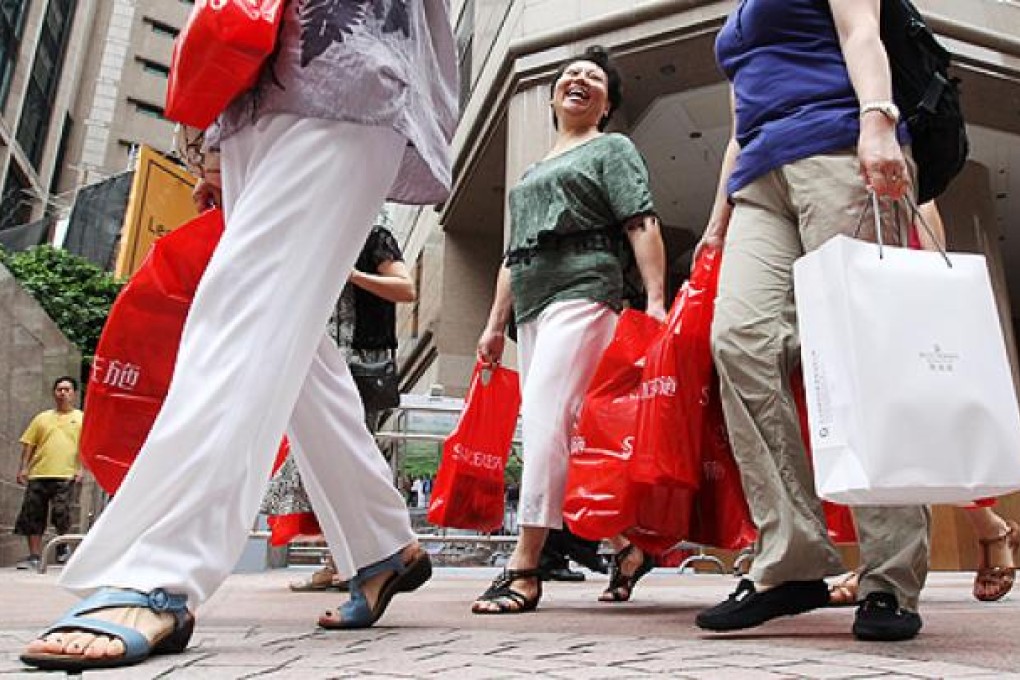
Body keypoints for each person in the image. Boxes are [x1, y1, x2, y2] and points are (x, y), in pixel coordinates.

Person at [22, 0, 456, 671]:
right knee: (295, 345)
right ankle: (379, 542)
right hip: (255, 82)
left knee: (245, 304)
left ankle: (158, 564)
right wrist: (216, 144)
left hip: (347, 65)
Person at [693, 0, 930, 642]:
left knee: (860, 352)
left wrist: (877, 121)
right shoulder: (738, 14)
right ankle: (791, 560)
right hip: (758, 180)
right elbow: (741, 122)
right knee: (739, 341)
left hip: (838, 148)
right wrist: (716, 221)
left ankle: (889, 579)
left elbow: (861, 32)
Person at [472, 45, 666, 614]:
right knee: (565, 426)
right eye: (571, 74)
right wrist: (493, 325)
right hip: (532, 300)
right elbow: (512, 253)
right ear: (555, 97)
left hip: (586, 288)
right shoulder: (532, 172)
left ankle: (525, 566)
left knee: (544, 419)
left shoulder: (611, 148)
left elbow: (641, 220)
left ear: (606, 105)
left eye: (594, 78)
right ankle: (627, 547)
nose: (579, 79)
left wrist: (657, 301)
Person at [826, 201, 1019, 606]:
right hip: (857, 290)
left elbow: (923, 200)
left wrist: (937, 294)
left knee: (926, 435)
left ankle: (983, 531)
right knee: (877, 437)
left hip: (900, 292)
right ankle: (985, 530)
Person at [260, 213, 416, 592]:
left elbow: (405, 288)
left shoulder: (374, 237)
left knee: (349, 464)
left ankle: (363, 559)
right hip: (324, 364)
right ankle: (340, 561)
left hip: (362, 367)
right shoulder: (318, 241)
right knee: (325, 466)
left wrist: (351, 275)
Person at [13, 376, 83, 571]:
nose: (63, 393)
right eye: (59, 389)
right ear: (54, 393)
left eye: (67, 390)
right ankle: (34, 556)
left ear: (74, 394)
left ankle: (62, 548)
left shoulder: (81, 418)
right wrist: (24, 467)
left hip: (66, 474)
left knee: (62, 513)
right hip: (38, 473)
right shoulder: (41, 418)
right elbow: (29, 444)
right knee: (33, 515)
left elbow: (86, 447)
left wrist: (81, 469)